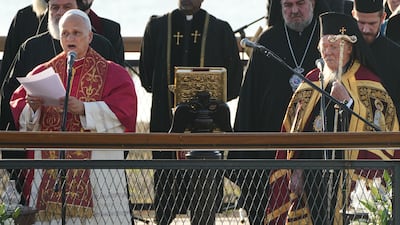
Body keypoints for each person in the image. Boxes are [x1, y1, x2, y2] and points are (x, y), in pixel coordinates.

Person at [266, 12, 399, 225]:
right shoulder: (311, 81)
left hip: (349, 179)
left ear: (349, 48)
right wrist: (296, 168)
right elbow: (295, 132)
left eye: (334, 47)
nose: (327, 52)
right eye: (324, 47)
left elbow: (382, 135)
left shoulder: (369, 83)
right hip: (312, 177)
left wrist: (349, 104)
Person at [9, 9, 137, 224]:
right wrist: (33, 108)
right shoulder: (42, 72)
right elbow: (19, 109)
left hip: (96, 176)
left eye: (76, 33)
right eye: (65, 33)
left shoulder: (113, 74)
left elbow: (124, 113)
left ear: (90, 37)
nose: (70, 38)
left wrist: (86, 109)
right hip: (52, 171)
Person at [138, 0, 243, 224]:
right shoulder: (156, 28)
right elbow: (146, 79)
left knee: (204, 191)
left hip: (208, 127)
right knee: (166, 183)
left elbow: (233, 84)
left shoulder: (220, 29)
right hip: (166, 123)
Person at [229, 0, 329, 224]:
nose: (294, 10)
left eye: (300, 3)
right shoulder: (267, 42)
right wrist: (245, 159)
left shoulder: (325, 40)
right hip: (270, 155)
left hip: (317, 156)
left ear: (312, 3)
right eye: (288, 5)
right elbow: (249, 104)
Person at [352, 0, 400, 123]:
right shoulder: (345, 50)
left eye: (372, 23)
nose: (366, 29)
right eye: (361, 22)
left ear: (383, 17)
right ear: (353, 15)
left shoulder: (396, 54)